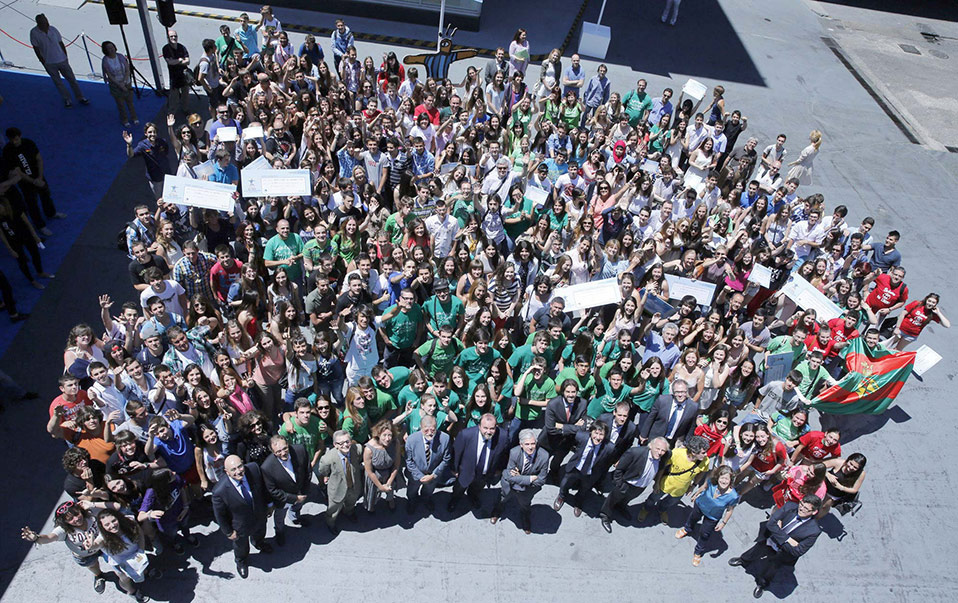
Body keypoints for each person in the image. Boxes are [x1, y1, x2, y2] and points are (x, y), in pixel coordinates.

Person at [728, 495, 823, 598]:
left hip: (783, 552)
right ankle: (744, 560)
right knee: (756, 549)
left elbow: (798, 551)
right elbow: (771, 524)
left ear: (814, 512)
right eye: (801, 504)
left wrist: (779, 532)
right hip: (770, 539)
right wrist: (788, 539)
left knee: (773, 568)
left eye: (806, 509)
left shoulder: (813, 531)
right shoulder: (790, 506)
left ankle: (762, 584)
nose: (801, 509)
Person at [212, 455, 273, 579]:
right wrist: (228, 532)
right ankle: (241, 561)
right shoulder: (220, 491)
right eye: (233, 469)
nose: (238, 471)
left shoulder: (253, 469)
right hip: (240, 525)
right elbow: (220, 515)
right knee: (241, 546)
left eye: (240, 466)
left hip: (259, 515)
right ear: (226, 472)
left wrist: (269, 504)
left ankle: (259, 543)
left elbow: (263, 488)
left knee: (260, 532)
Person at [2, 127, 67, 236]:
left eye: (16, 139)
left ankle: (51, 213)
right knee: (32, 204)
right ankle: (40, 225)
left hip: (38, 176)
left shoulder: (29, 143)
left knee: (46, 195)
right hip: (25, 182)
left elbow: (39, 159)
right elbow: (18, 172)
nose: (14, 142)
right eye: (12, 140)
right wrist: (34, 181)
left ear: (20, 136)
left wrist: (40, 178)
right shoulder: (7, 151)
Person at [599, 437, 671, 532]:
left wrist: (656, 483)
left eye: (663, 450)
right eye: (657, 448)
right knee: (612, 499)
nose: (660, 452)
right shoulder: (635, 452)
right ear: (651, 446)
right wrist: (619, 484)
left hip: (640, 486)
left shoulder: (664, 457)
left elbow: (661, 467)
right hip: (626, 483)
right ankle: (605, 515)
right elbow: (619, 469)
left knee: (628, 498)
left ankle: (620, 506)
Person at [675, 465, 740, 566]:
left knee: (705, 534)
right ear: (717, 477)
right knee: (693, 518)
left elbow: (729, 510)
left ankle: (698, 552)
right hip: (700, 505)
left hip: (713, 516)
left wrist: (723, 523)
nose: (724, 481)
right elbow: (703, 487)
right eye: (722, 477)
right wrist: (696, 494)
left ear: (731, 480)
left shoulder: (733, 496)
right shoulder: (711, 482)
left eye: (727, 479)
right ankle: (687, 529)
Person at [447, 413, 509, 513]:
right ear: (479, 426)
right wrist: (454, 469)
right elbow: (456, 453)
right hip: (466, 471)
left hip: (485, 473)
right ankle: (455, 499)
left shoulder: (503, 436)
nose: (488, 432)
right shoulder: (465, 435)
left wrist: (499, 469)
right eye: (485, 428)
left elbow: (504, 454)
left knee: (477, 488)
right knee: (459, 488)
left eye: (492, 428)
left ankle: (472, 496)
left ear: (496, 427)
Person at [491, 428, 549, 533]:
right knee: (503, 498)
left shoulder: (544, 456)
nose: (531, 447)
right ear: (521, 444)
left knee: (525, 505)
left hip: (528, 489)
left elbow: (541, 480)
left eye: (533, 443)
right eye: (527, 444)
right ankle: (497, 511)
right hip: (510, 485)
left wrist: (519, 477)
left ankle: (525, 518)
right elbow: (510, 477)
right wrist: (530, 478)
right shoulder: (514, 452)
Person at [29, 14, 89, 107]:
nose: (46, 23)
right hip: (49, 62)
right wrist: (43, 61)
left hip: (62, 60)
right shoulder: (34, 33)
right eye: (43, 21)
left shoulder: (53, 29)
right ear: (38, 23)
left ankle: (80, 97)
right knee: (58, 82)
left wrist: (65, 56)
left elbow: (61, 43)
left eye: (46, 20)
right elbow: (36, 48)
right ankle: (67, 99)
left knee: (72, 80)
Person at [261, 435, 311, 546]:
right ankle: (279, 531)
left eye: (285, 448)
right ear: (273, 452)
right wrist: (294, 498)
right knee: (280, 517)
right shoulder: (267, 467)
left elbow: (308, 471)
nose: (283, 453)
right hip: (284, 499)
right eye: (278, 451)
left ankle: (295, 517)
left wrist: (304, 491)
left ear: (288, 445)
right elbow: (272, 490)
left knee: (298, 507)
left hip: (301, 492)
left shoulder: (300, 450)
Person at [554, 422, 610, 517]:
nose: (597, 437)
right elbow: (572, 431)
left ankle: (578, 502)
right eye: (595, 433)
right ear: (590, 433)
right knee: (565, 483)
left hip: (590, 473)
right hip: (575, 467)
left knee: (584, 489)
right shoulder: (581, 437)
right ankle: (562, 496)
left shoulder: (608, 447)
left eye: (601, 434)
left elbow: (605, 462)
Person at [316, 430, 364, 533]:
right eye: (340, 443)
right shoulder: (328, 458)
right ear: (335, 445)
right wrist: (327, 476)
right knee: (334, 508)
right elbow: (323, 470)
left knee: (351, 502)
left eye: (347, 441)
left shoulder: (357, 449)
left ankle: (348, 512)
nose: (345, 445)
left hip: (353, 485)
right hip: (337, 488)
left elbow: (359, 458)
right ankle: (330, 522)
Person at [404, 414, 452, 512]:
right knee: (412, 491)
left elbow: (446, 459)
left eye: (433, 430)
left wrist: (433, 475)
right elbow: (408, 461)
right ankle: (412, 502)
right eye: (426, 430)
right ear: (421, 428)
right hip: (415, 475)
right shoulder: (411, 440)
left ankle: (426, 499)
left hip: (433, 474)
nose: (430, 433)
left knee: (429, 491)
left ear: (436, 427)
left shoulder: (445, 438)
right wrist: (420, 476)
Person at [638, 380, 698, 447]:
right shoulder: (662, 400)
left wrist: (686, 443)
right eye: (677, 392)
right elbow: (650, 418)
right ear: (673, 392)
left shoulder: (693, 407)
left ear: (687, 392)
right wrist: (644, 434)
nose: (680, 395)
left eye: (683, 392)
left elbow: (691, 427)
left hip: (673, 442)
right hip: (655, 437)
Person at [362, 419, 403, 512]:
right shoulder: (369, 449)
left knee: (390, 489)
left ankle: (390, 500)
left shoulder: (395, 443)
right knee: (372, 494)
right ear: (378, 435)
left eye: (390, 435)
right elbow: (369, 471)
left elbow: (396, 464)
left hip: (389, 471)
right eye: (384, 435)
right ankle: (371, 506)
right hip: (374, 474)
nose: (387, 439)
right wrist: (380, 487)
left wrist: (389, 482)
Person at [101, 41, 137, 128]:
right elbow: (109, 75)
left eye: (112, 47)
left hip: (126, 82)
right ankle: (124, 119)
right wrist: (120, 85)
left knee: (130, 102)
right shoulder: (105, 60)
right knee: (120, 104)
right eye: (108, 48)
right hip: (115, 85)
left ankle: (134, 117)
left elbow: (128, 70)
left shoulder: (120, 56)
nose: (111, 49)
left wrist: (124, 82)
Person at [161, 29, 191, 115]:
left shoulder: (182, 47)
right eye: (171, 36)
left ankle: (185, 109)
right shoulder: (166, 49)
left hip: (184, 76)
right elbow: (169, 62)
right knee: (174, 97)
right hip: (174, 77)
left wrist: (176, 61)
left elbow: (188, 61)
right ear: (168, 38)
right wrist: (180, 60)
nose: (174, 38)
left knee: (185, 94)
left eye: (175, 36)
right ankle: (171, 113)